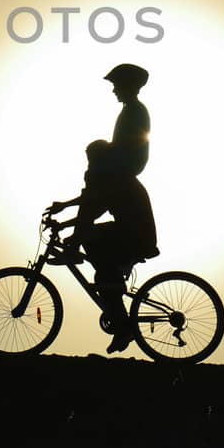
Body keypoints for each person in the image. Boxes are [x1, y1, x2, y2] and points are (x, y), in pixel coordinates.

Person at [48, 64, 158, 354]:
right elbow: (93, 202)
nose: (113, 89)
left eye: (116, 85)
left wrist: (70, 226)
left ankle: (123, 326)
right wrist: (67, 211)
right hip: (130, 230)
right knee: (99, 261)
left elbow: (93, 203)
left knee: (98, 262)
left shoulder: (133, 115)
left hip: (134, 234)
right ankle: (119, 310)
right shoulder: (116, 178)